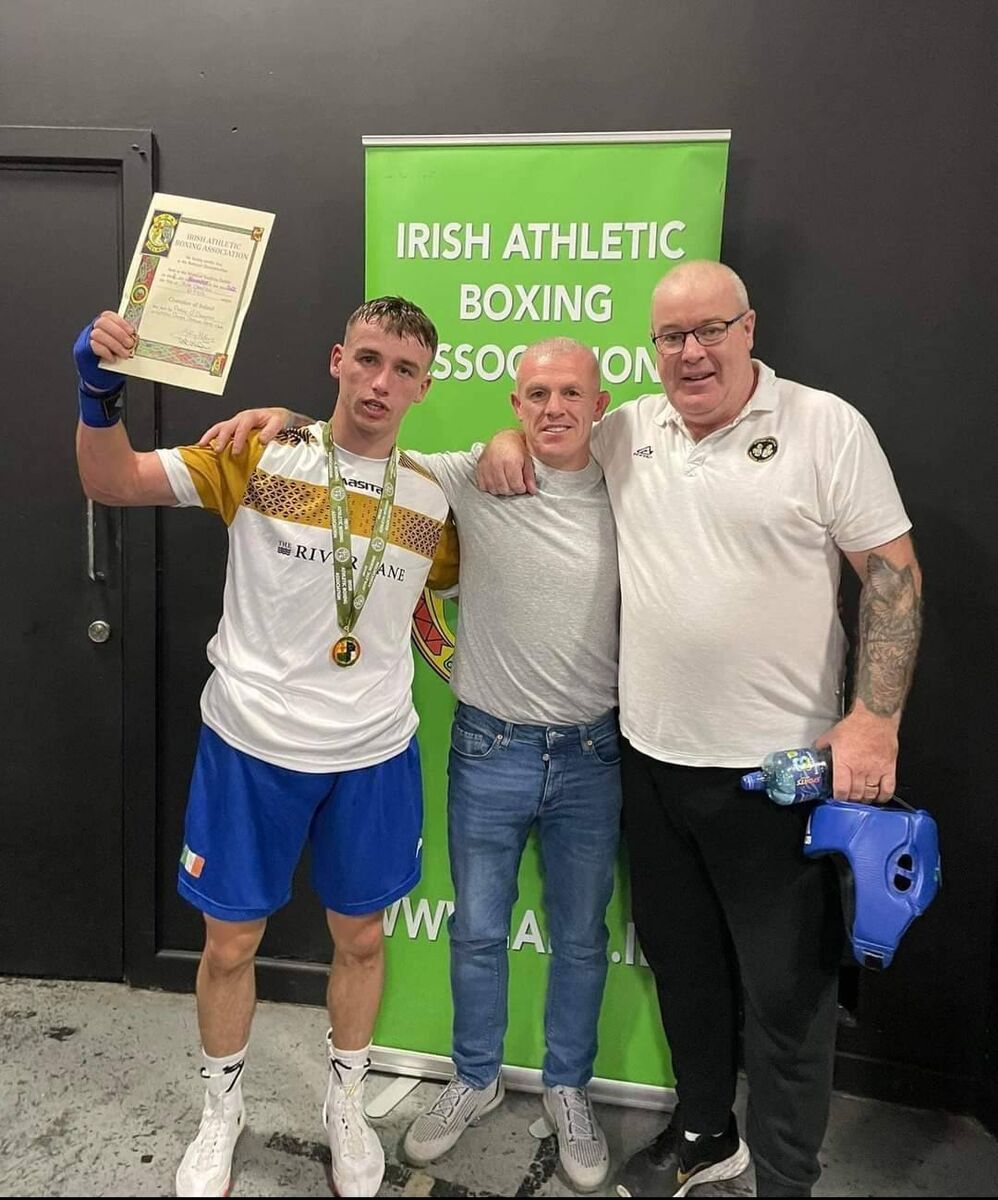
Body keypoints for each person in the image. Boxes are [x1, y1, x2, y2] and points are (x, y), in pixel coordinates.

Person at [475, 261, 923, 1198]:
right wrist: (499, 439)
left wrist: (874, 719)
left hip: (777, 777)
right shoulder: (630, 430)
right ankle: (707, 1131)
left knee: (789, 997)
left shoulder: (823, 426)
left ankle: (787, 1179)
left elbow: (890, 574)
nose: (690, 352)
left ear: (748, 328)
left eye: (709, 329)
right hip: (648, 763)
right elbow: (548, 436)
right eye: (671, 337)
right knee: (685, 970)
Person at [203, 338, 623, 1193]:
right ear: (512, 404)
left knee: (581, 935)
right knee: (475, 926)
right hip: (488, 742)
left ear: (601, 404)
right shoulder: (462, 473)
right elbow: (361, 447)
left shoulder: (635, 482)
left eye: (569, 392)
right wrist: (284, 418)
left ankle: (569, 1088)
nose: (551, 409)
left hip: (592, 749)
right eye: (534, 393)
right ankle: (472, 1077)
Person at [73, 296, 458, 1199]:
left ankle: (347, 1105)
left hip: (372, 754)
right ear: (336, 359)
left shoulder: (432, 499)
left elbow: (471, 578)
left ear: (425, 386)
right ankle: (222, 1110)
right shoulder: (258, 451)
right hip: (251, 748)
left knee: (361, 941)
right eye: (367, 359)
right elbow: (113, 482)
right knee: (229, 946)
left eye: (403, 370)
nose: (381, 382)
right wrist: (97, 392)